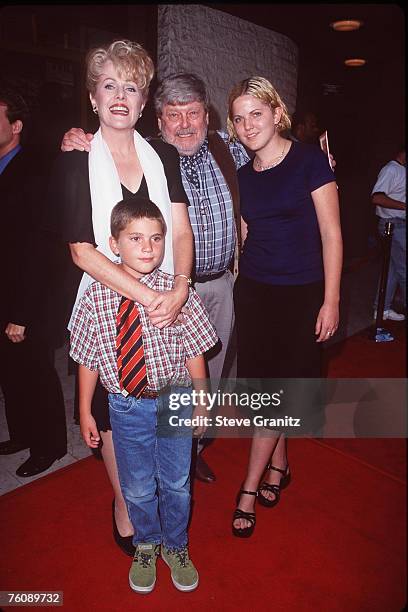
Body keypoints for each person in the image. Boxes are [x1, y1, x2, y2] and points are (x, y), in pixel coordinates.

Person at [62, 72, 250, 484]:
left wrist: (317, 159)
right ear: (159, 121)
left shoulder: (225, 147)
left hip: (216, 283)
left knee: (205, 373)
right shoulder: (154, 154)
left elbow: (266, 156)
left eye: (194, 113)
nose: (185, 123)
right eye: (174, 114)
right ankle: (157, 454)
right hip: (159, 284)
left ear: (208, 116)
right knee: (146, 379)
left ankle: (188, 445)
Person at [48, 40, 193, 556]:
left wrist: (178, 288)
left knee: (166, 396)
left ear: (143, 98)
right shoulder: (75, 156)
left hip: (167, 295)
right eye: (109, 85)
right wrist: (149, 299)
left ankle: (167, 480)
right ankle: (123, 501)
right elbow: (81, 251)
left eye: (131, 87)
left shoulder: (164, 156)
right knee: (114, 410)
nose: (119, 96)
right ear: (92, 97)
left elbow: (180, 231)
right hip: (104, 302)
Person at [70, 196, 218, 593]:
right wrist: (85, 410)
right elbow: (88, 357)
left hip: (175, 400)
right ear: (113, 244)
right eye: (136, 238)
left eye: (156, 238)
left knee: (176, 481)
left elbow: (195, 351)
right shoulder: (95, 296)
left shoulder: (175, 292)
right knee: (135, 484)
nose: (148, 248)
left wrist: (202, 401)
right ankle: (146, 543)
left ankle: (177, 545)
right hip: (124, 405)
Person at [227, 77, 342, 537]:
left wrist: (331, 299)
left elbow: (332, 235)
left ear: (277, 113)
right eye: (238, 117)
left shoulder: (311, 162)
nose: (247, 124)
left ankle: (249, 489)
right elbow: (245, 233)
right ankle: (280, 464)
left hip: (300, 294)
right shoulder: (241, 175)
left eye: (256, 113)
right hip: (255, 293)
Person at [0, 88, 67, 476]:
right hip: (4, 294)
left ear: (16, 127)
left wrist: (22, 314)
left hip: (29, 298)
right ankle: (23, 433)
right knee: (10, 372)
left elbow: (38, 250)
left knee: (36, 374)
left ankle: (50, 445)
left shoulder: (34, 171)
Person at [372, 146, 406, 321]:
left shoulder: (401, 170)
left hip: (399, 225)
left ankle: (382, 310)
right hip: (392, 225)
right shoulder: (391, 169)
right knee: (403, 269)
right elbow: (377, 197)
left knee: (392, 270)